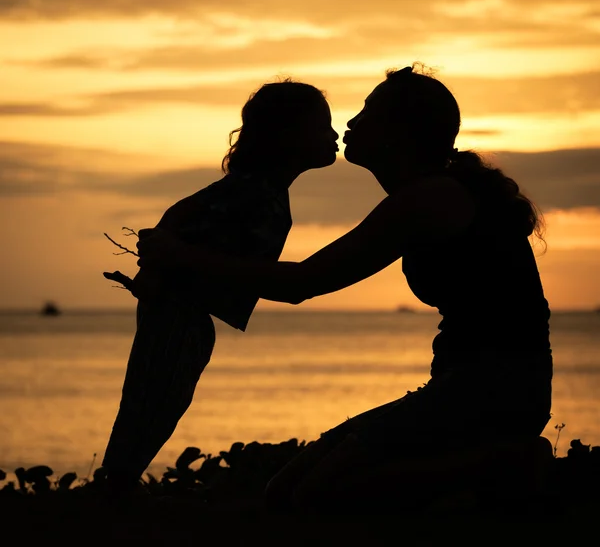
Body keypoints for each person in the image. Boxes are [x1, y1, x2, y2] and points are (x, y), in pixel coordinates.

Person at [134, 63, 553, 510]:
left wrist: (182, 257)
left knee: (316, 495)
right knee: (284, 490)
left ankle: (504, 463)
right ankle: (483, 472)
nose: (351, 122)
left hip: (498, 389)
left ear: (401, 132)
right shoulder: (424, 196)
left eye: (369, 113)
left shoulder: (430, 199)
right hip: (464, 385)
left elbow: (303, 282)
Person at [101, 79, 339, 491]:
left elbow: (177, 220)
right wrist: (161, 267)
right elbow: (177, 220)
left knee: (156, 404)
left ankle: (112, 488)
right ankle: (111, 491)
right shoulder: (254, 192)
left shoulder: (260, 190)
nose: (334, 136)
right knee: (153, 405)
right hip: (180, 312)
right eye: (322, 128)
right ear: (286, 137)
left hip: (185, 312)